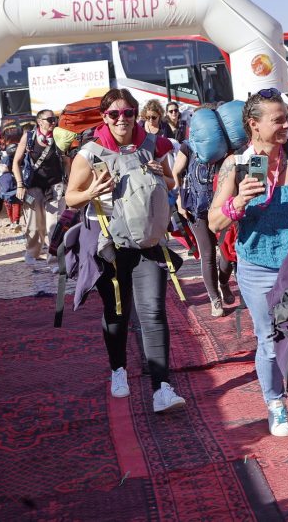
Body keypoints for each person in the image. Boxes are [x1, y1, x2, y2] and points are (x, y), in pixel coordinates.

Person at [208, 89, 288, 452]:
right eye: (277, 120)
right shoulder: (236, 164)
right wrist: (238, 201)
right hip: (257, 266)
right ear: (254, 124)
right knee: (269, 340)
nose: (285, 125)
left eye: (286, 118)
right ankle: (276, 404)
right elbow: (214, 222)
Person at [64, 88, 187, 413]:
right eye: (114, 114)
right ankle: (118, 368)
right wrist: (91, 192)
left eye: (128, 113)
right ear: (104, 117)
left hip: (147, 240)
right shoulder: (90, 153)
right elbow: (70, 197)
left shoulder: (152, 145)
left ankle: (162, 388)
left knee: (153, 312)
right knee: (117, 311)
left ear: (136, 114)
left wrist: (162, 174)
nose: (122, 119)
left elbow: (171, 183)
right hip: (109, 243)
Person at [173, 119, 236, 317]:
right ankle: (214, 299)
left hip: (222, 207)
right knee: (208, 254)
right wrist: (179, 199)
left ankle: (223, 282)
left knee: (227, 254)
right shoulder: (188, 146)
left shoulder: (226, 145)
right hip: (196, 208)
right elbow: (176, 172)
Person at [13, 109, 68, 267]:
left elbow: (67, 162)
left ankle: (54, 260)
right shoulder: (29, 137)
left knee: (54, 225)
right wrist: (20, 184)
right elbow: (16, 162)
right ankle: (32, 253)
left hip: (55, 185)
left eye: (55, 119)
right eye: (50, 119)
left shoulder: (59, 136)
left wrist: (69, 184)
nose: (53, 122)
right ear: (39, 122)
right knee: (35, 224)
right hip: (33, 186)